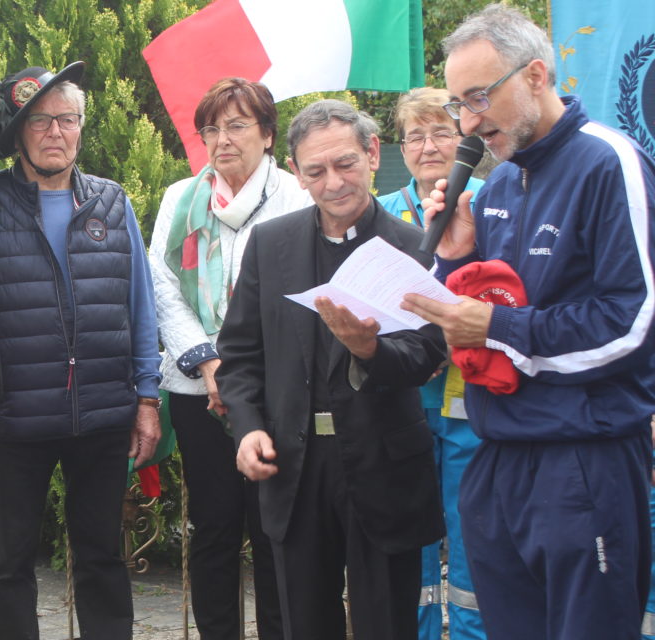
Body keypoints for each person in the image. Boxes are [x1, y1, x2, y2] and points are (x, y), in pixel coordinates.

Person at [401, 5, 655, 639]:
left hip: (582, 459)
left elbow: (633, 322)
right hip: (498, 457)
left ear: (537, 75)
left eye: (480, 97)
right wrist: (460, 255)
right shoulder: (501, 185)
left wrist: (494, 329)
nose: (468, 122)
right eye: (460, 103)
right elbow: (499, 302)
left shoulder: (608, 161)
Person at [0, 61, 162, 639]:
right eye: (40, 121)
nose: (55, 132)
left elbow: (139, 308)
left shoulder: (111, 204)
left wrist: (147, 397)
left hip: (103, 415)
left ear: (82, 128)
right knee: (10, 564)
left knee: (102, 557)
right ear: (18, 133)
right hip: (12, 419)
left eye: (67, 119)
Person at [218, 99, 447, 640]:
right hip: (294, 466)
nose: (334, 182)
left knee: (386, 624)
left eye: (345, 163)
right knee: (303, 624)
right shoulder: (270, 245)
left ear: (372, 153)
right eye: (315, 171)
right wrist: (247, 426)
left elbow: (427, 355)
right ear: (296, 174)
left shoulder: (413, 247)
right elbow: (241, 354)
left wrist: (370, 349)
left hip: (382, 464)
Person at [147, 76, 309, 640]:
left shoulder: (295, 197)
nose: (222, 140)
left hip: (272, 394)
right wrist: (210, 364)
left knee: (274, 530)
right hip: (197, 390)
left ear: (267, 134)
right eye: (210, 128)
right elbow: (161, 286)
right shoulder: (180, 199)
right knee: (213, 527)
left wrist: (240, 374)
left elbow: (297, 295)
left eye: (237, 125)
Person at [377, 87, 486, 640]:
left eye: (441, 132)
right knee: (414, 534)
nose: (427, 146)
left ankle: (472, 633)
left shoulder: (493, 200)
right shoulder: (386, 211)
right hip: (407, 400)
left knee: (472, 534)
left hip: (473, 399)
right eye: (415, 135)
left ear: (463, 138)